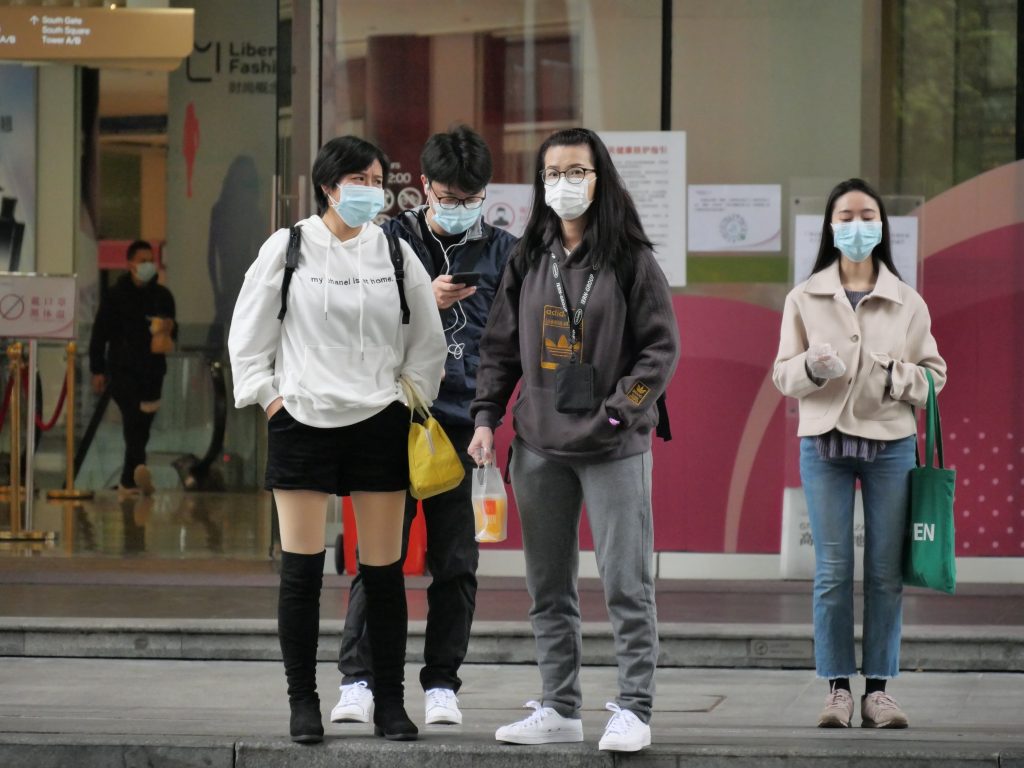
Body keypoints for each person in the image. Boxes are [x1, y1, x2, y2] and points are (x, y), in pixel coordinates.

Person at [228, 135, 447, 744]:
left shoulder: (396, 251)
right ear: (329, 186)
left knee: (383, 574)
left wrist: (406, 399)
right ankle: (304, 702)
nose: (371, 192)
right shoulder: (290, 245)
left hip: (378, 420)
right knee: (302, 571)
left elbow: (426, 341)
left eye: (377, 181)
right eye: (359, 180)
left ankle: (390, 704)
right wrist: (271, 402)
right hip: (300, 419)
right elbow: (247, 335)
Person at [468, 127, 679, 753]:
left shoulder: (632, 260)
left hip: (613, 446)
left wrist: (621, 413)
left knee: (625, 582)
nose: (564, 183)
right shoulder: (528, 259)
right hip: (539, 448)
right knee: (548, 587)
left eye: (577, 171)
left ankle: (634, 709)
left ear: (600, 178)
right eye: (553, 173)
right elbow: (498, 348)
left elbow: (661, 354)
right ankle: (560, 705)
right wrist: (486, 418)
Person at [334, 125, 517, 727]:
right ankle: (357, 679)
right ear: (425, 188)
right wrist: (419, 301)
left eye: (472, 199)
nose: (460, 209)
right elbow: (351, 322)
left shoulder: (504, 252)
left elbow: (508, 346)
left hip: (463, 426)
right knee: (379, 557)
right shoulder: (386, 240)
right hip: (392, 418)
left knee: (456, 560)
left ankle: (442, 683)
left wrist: (490, 418)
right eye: (449, 197)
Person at [772, 178, 947, 729]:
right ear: (829, 226)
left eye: (865, 215)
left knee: (884, 573)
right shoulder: (803, 296)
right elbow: (782, 375)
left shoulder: (907, 300)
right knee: (831, 571)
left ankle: (878, 690)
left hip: (891, 444)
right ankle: (836, 689)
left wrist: (897, 375)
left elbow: (936, 378)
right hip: (824, 445)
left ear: (881, 225)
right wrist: (810, 369)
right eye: (844, 216)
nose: (855, 225)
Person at [89, 239, 176, 496]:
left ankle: (130, 480)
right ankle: (135, 473)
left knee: (143, 428)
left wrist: (166, 328)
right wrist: (98, 369)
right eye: (143, 260)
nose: (149, 265)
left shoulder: (163, 296)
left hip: (153, 372)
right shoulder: (116, 296)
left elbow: (173, 329)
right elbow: (99, 334)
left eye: (151, 260)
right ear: (129, 264)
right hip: (122, 371)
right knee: (132, 420)